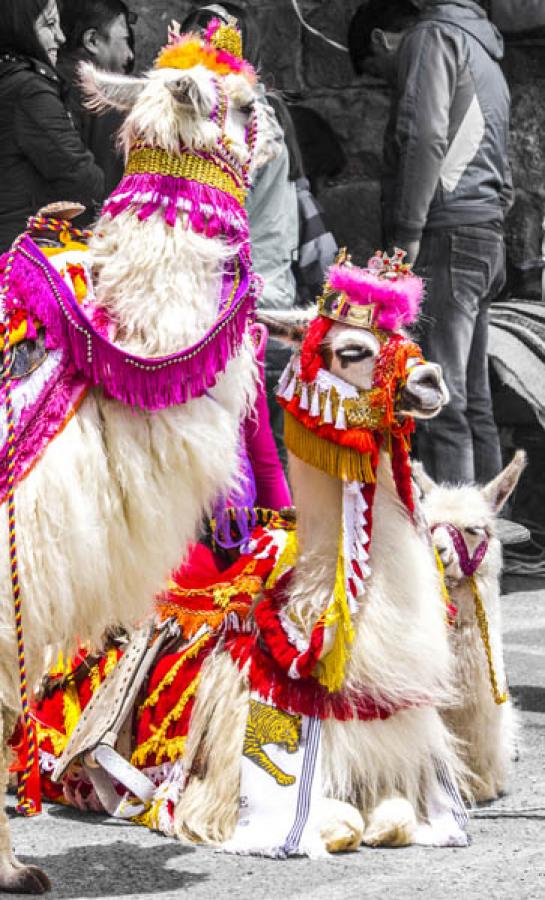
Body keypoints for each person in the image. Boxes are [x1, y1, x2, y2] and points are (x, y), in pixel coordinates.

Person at [349, 0, 512, 485]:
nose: (391, 84)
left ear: (381, 40)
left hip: (445, 235)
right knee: (475, 402)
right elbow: (501, 166)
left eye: (380, 74)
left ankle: (455, 542)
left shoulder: (432, 38)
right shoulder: (486, 53)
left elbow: (424, 136)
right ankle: (488, 536)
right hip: (484, 234)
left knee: (440, 399)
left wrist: (407, 234)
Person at [0, 0, 104, 251]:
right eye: (49, 25)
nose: (61, 37)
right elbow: (79, 176)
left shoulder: (9, 78)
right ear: (21, 28)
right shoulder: (29, 90)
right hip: (22, 253)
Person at [57, 0, 135, 199]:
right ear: (92, 41)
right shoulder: (105, 96)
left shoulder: (39, 80)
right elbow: (109, 190)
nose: (130, 54)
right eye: (125, 40)